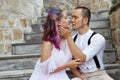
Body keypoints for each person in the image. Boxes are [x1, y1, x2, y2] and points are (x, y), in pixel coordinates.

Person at [29, 8, 86, 80]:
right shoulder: (48, 41)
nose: (69, 20)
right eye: (65, 18)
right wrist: (67, 65)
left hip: (60, 76)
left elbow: (81, 59)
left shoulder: (67, 38)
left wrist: (79, 75)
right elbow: (45, 70)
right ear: (58, 22)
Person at [58, 6, 114, 80]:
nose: (72, 20)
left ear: (85, 20)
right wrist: (79, 75)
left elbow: (82, 58)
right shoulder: (72, 39)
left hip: (99, 75)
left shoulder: (98, 38)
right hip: (82, 76)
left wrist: (68, 37)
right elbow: (70, 62)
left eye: (75, 17)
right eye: (72, 17)